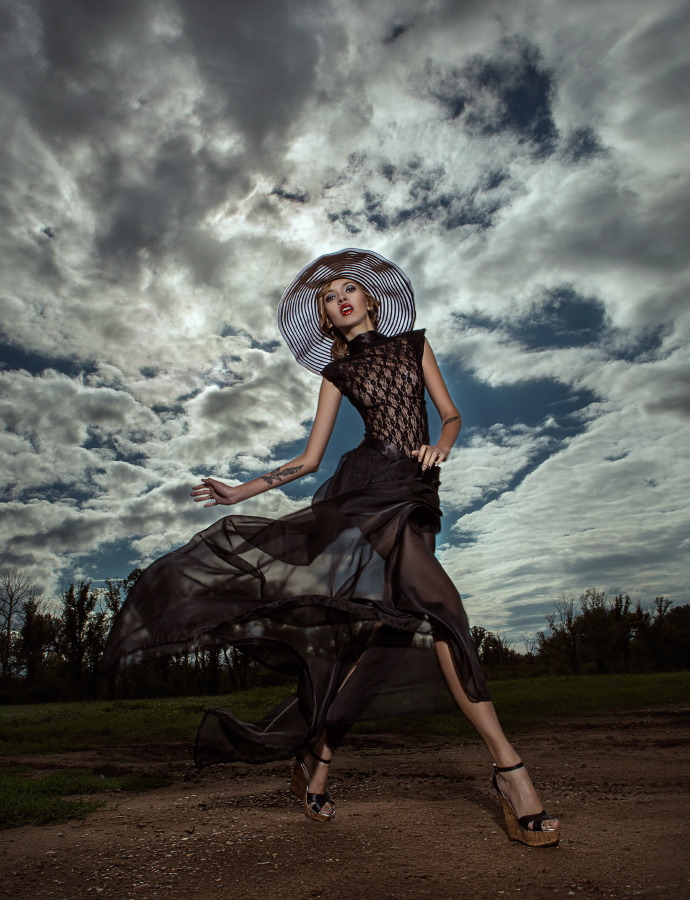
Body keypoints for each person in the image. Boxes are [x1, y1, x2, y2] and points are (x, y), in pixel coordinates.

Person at [104, 248, 560, 846]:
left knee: (384, 639)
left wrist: (441, 448)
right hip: (370, 495)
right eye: (326, 296)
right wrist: (237, 492)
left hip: (417, 494)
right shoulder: (337, 373)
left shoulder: (415, 345)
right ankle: (511, 772)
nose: (338, 298)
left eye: (348, 288)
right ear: (326, 316)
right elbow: (310, 459)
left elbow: (448, 417)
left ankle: (314, 765)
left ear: (371, 299)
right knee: (445, 613)